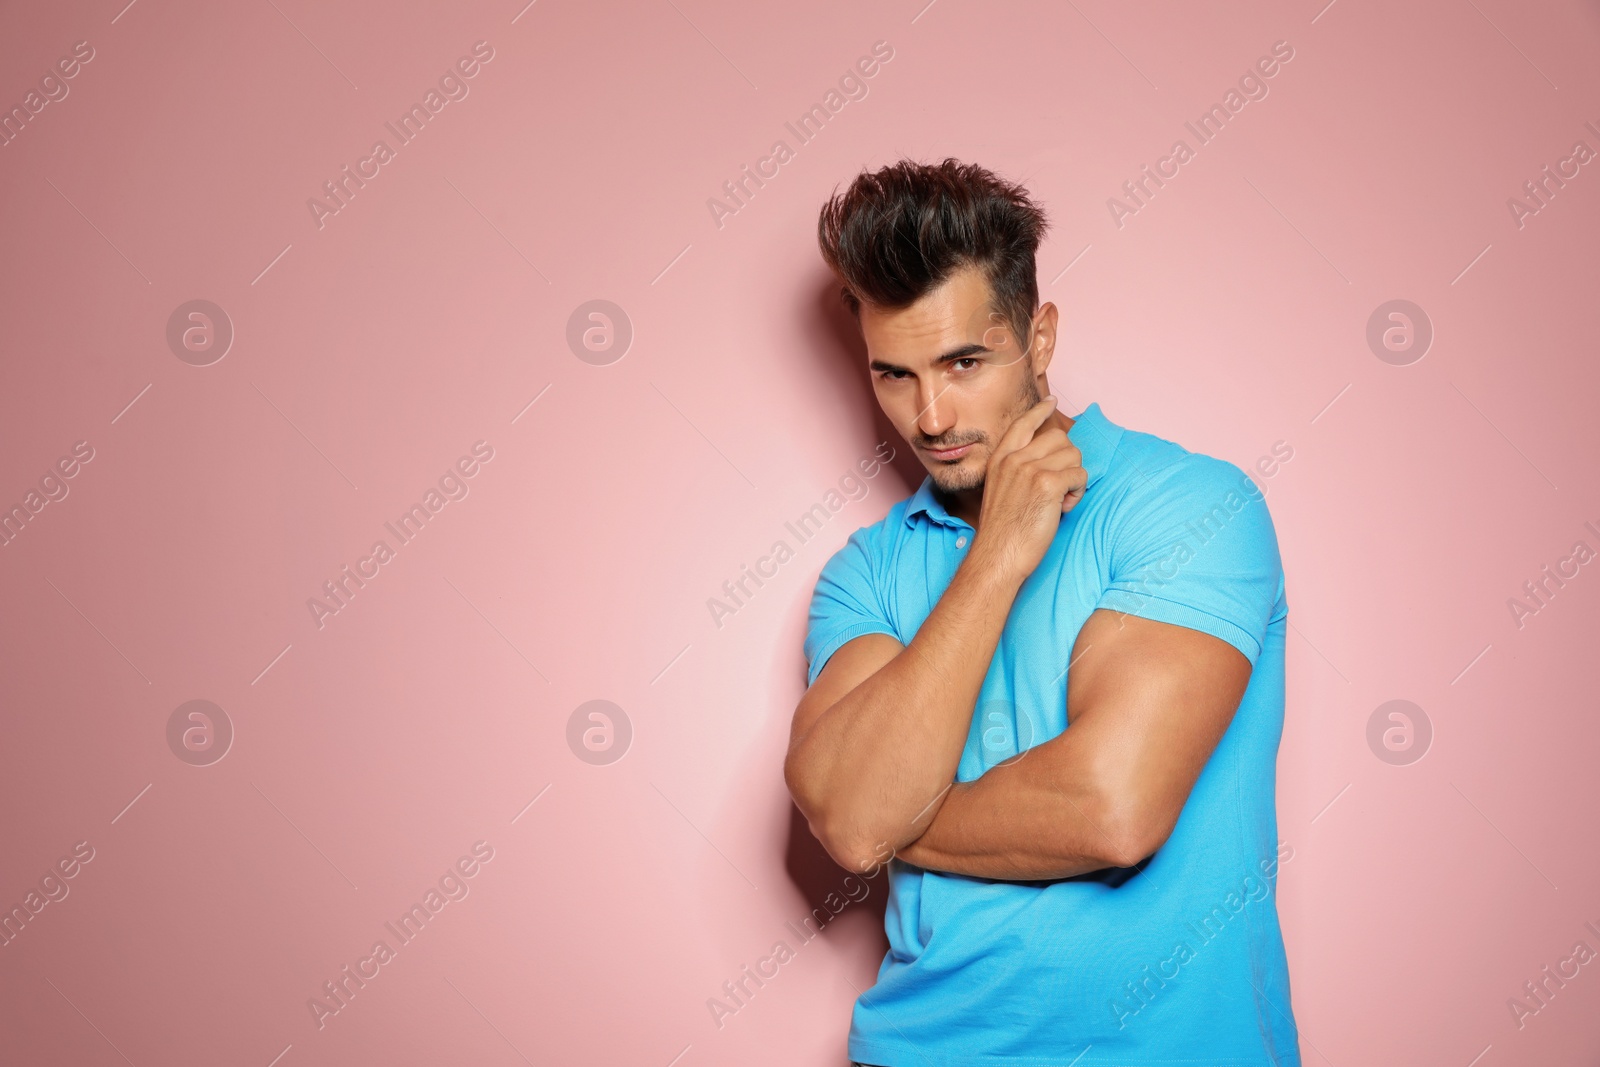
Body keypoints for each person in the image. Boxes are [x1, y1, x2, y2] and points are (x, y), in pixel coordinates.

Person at [784, 158, 1300, 1067]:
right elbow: (853, 820)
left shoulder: (1187, 505)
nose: (931, 413)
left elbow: (1110, 806)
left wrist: (892, 815)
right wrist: (996, 558)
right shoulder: (864, 573)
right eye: (893, 374)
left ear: (1042, 336)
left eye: (965, 361)